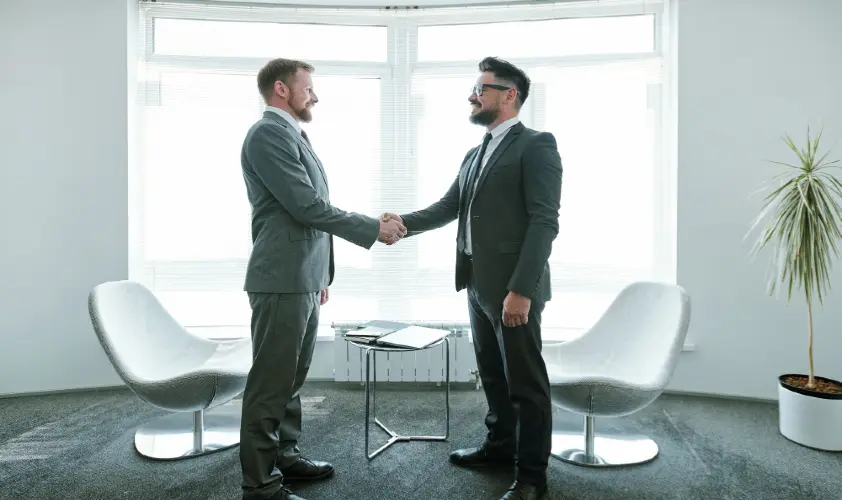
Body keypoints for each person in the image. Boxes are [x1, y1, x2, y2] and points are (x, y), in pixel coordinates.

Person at [382, 56, 562, 500]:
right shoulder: (475, 152)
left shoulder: (536, 145)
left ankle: (533, 479)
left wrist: (521, 290)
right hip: (477, 284)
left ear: (509, 94)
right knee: (493, 375)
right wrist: (396, 223)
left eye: (480, 89)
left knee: (526, 384)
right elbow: (448, 207)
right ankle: (500, 447)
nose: (472, 95)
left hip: (513, 289)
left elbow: (544, 222)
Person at [239, 57, 406, 500]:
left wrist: (319, 273)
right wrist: (373, 228)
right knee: (270, 384)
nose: (314, 95)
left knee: (291, 379)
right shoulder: (267, 134)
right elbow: (306, 206)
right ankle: (259, 485)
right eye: (307, 87)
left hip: (302, 277)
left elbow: (307, 209)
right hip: (280, 278)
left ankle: (284, 455)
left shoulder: (293, 134)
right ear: (281, 89)